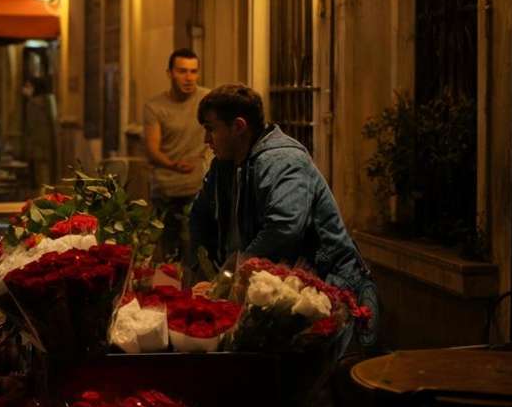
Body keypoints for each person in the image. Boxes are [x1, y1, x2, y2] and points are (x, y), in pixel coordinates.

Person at [188, 83, 379, 346]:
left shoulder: (282, 160)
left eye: (211, 129)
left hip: (330, 294)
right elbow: (199, 215)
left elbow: (284, 228)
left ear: (239, 127)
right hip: (283, 294)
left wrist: (230, 277)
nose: (206, 140)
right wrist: (208, 275)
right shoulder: (225, 165)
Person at [143, 48, 210, 262]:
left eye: (193, 71)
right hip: (166, 190)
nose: (189, 77)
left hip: (198, 188)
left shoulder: (207, 99)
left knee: (198, 250)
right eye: (182, 71)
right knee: (169, 254)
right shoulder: (155, 106)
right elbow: (152, 149)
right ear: (170, 73)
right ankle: (169, 292)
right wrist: (173, 165)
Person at [22, 76, 58, 189]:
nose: (25, 89)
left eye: (28, 86)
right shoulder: (49, 102)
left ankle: (43, 200)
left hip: (38, 146)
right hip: (49, 144)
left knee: (41, 176)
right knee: (47, 175)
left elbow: (32, 127)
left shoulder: (32, 104)